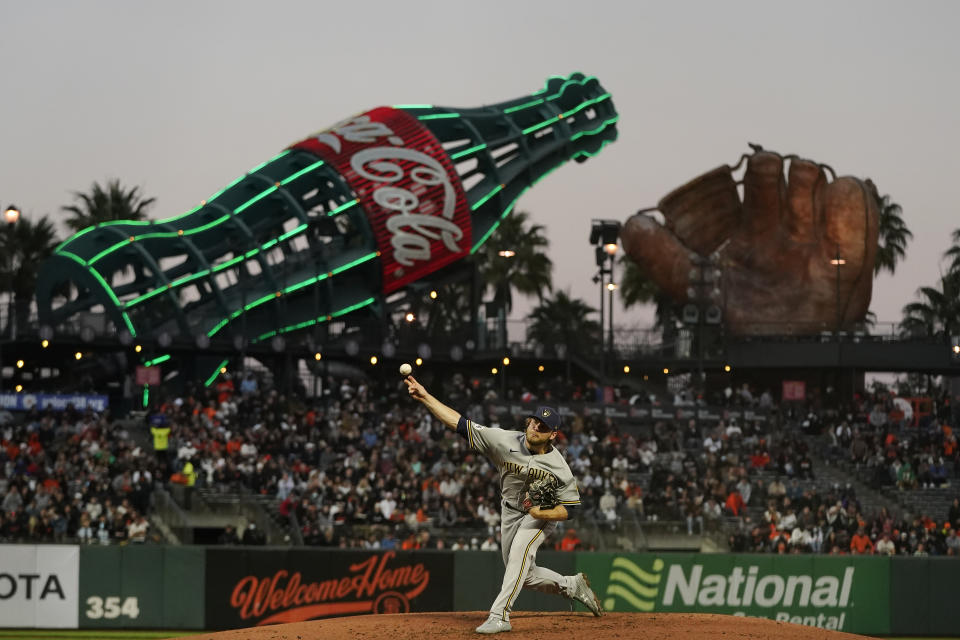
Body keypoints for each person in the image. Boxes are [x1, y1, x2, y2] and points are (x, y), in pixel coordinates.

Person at [404, 375, 602, 634]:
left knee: (521, 551)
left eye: (542, 427)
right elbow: (461, 424)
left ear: (553, 434)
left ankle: (500, 615)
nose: (534, 428)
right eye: (533, 421)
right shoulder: (503, 440)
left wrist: (541, 512)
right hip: (509, 510)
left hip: (541, 515)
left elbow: (572, 509)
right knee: (524, 574)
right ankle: (570, 585)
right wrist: (425, 398)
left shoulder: (560, 468)